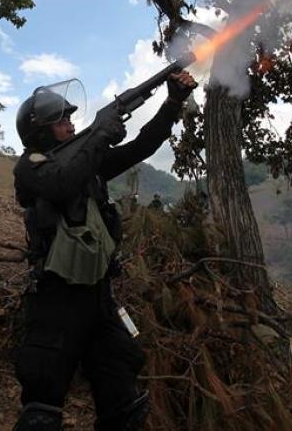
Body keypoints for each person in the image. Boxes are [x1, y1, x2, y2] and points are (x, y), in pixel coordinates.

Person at [11, 70, 196, 431]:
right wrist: (100, 132)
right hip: (56, 301)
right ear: (40, 130)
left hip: (99, 298)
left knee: (123, 402)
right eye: (60, 119)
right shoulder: (29, 168)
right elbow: (63, 185)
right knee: (41, 412)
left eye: (68, 117)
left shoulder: (86, 160)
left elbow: (141, 148)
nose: (69, 123)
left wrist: (172, 103)